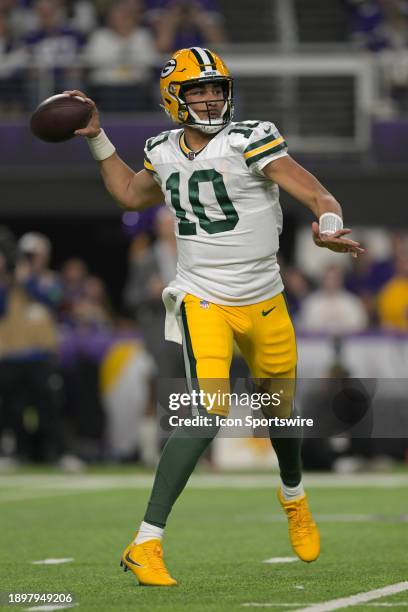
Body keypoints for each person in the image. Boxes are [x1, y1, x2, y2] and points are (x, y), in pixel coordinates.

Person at [64, 46, 364, 587]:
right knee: (206, 411)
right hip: (203, 297)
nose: (209, 98)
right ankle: (146, 542)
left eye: (216, 89)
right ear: (173, 98)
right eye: (197, 90)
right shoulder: (161, 149)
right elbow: (132, 194)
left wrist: (328, 224)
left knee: (281, 415)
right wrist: (97, 139)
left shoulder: (251, 138)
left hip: (266, 299)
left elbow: (316, 193)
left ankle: (293, 496)